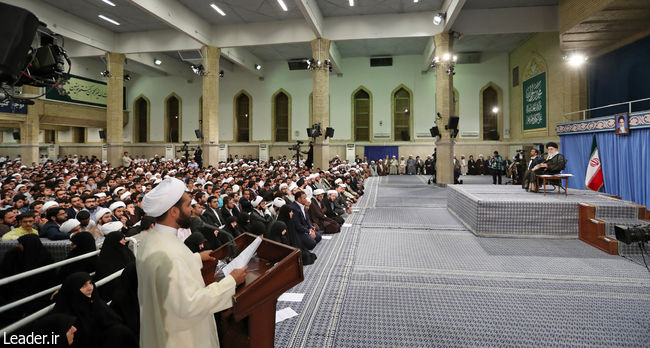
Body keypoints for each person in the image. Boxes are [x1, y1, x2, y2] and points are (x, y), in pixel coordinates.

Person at [137, 177, 247, 348]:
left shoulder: (151, 239)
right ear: (173, 212)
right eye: (188, 206)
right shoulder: (170, 254)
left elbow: (169, 275)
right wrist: (231, 281)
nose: (193, 211)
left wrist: (195, 258)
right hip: (181, 338)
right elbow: (189, 305)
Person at [52, 272, 137, 348]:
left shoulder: (95, 303)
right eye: (83, 285)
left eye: (90, 283)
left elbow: (113, 322)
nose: (90, 288)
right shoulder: (65, 316)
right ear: (73, 290)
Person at [95, 231, 135, 301]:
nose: (124, 241)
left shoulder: (125, 251)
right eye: (121, 239)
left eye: (124, 238)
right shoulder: (104, 261)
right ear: (114, 242)